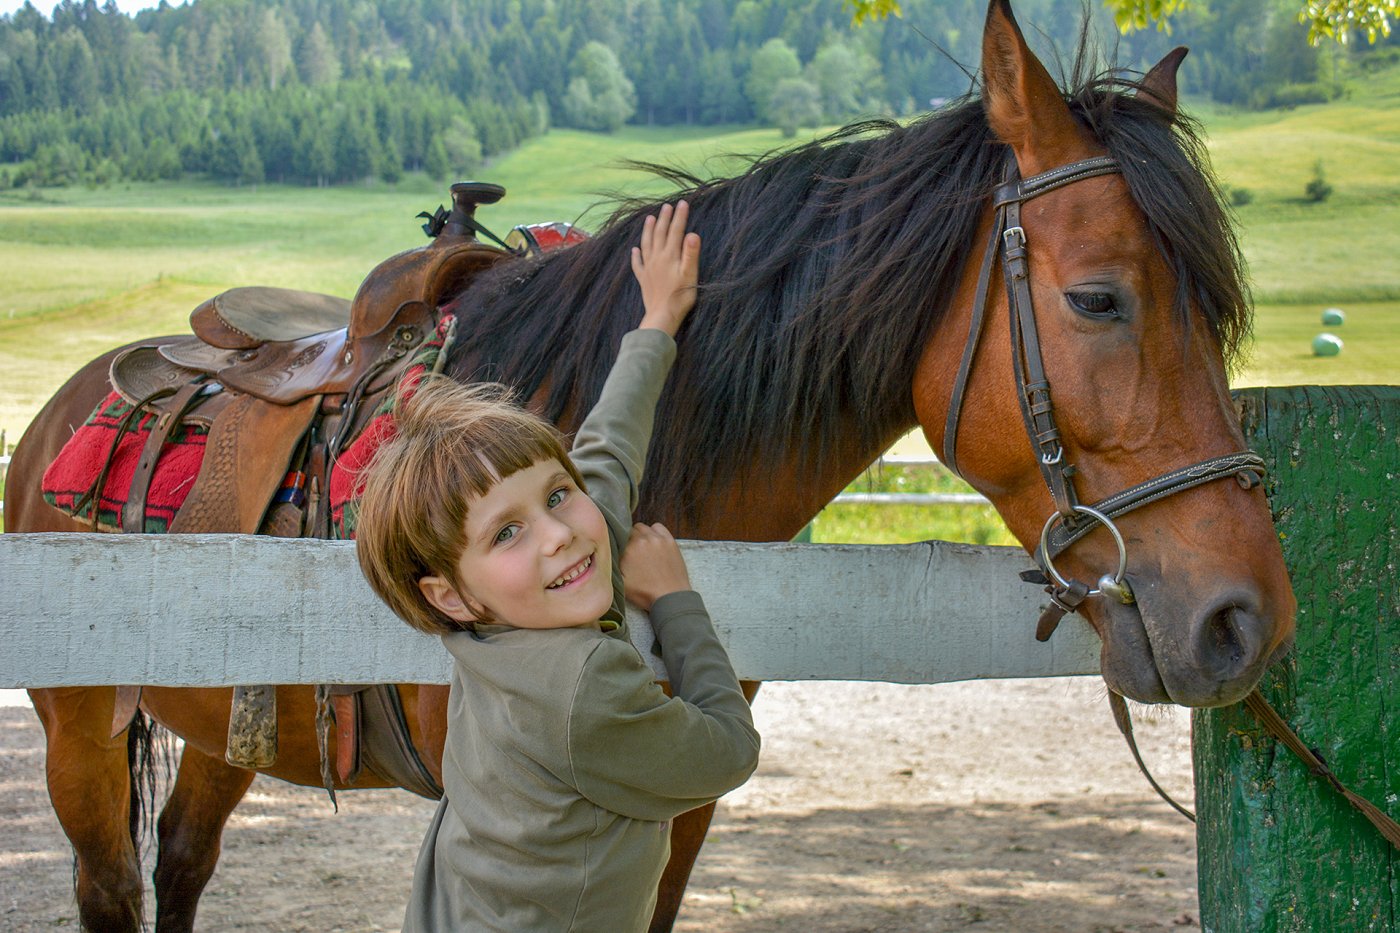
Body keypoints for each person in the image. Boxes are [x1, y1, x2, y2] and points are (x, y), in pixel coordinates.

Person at [354, 200, 760, 932]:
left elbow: (604, 454)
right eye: (508, 531)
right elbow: (727, 752)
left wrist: (656, 323)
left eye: (556, 495)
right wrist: (674, 603)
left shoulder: (494, 616)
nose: (560, 535)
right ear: (450, 594)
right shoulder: (582, 689)